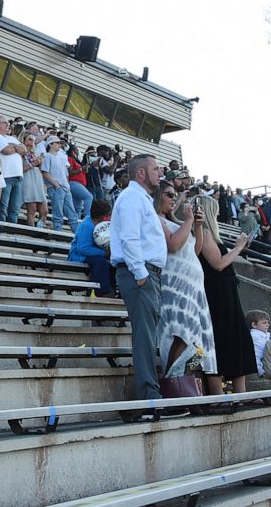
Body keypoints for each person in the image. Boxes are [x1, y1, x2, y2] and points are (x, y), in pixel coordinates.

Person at [109, 155, 179, 412]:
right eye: (155, 169)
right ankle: (150, 398)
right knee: (145, 338)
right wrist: (141, 274)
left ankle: (151, 394)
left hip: (147, 274)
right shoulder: (131, 198)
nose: (160, 173)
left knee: (149, 337)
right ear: (140, 173)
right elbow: (129, 238)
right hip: (139, 274)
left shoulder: (141, 199)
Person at [153, 183, 219, 390]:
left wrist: (197, 226)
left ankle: (185, 388)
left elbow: (195, 250)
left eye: (175, 195)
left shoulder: (175, 221)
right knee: (179, 335)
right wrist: (189, 220)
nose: (174, 199)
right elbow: (173, 244)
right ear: (157, 196)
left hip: (193, 289)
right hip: (175, 287)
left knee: (193, 342)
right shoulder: (155, 219)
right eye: (169, 195)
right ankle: (173, 388)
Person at [197, 195, 256, 394]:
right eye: (215, 209)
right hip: (218, 295)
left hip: (226, 292)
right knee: (224, 338)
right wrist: (238, 248)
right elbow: (219, 264)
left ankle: (241, 392)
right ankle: (219, 393)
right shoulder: (203, 232)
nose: (219, 212)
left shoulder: (208, 234)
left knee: (238, 339)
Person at [67, 199, 115, 297]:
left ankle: (114, 289)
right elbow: (83, 249)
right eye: (108, 215)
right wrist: (104, 253)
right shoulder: (87, 225)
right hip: (79, 256)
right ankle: (97, 291)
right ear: (101, 216)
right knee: (101, 262)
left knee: (114, 262)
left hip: (93, 255)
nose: (109, 217)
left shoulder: (103, 225)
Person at [0, 116, 26, 224]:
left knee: (15, 208)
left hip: (18, 176)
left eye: (7, 123)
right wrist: (16, 148)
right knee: (3, 206)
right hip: (6, 175)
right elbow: (6, 150)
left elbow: (24, 151)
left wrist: (13, 145)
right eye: (4, 123)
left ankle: (12, 230)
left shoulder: (12, 138)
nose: (8, 125)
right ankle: (1, 229)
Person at [41, 137, 78, 232]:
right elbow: (45, 172)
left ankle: (77, 234)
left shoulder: (61, 157)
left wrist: (66, 185)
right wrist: (56, 185)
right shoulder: (47, 156)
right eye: (57, 143)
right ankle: (58, 233)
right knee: (58, 214)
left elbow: (66, 174)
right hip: (56, 187)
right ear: (50, 144)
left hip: (64, 187)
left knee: (72, 213)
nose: (59, 145)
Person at [19, 131, 47, 229]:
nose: (32, 142)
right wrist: (33, 164)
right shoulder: (21, 153)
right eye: (30, 139)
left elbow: (40, 169)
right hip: (28, 180)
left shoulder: (34, 153)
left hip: (37, 179)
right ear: (24, 140)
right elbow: (21, 169)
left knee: (44, 211)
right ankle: (31, 230)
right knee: (32, 209)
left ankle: (40, 227)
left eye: (33, 140)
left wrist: (40, 162)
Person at [66, 145, 93, 219]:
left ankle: (76, 225)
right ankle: (87, 217)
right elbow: (70, 173)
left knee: (77, 208)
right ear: (72, 151)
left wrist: (84, 169)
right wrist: (81, 169)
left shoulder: (77, 161)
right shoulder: (70, 159)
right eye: (77, 150)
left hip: (79, 184)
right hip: (74, 183)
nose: (78, 152)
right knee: (88, 196)